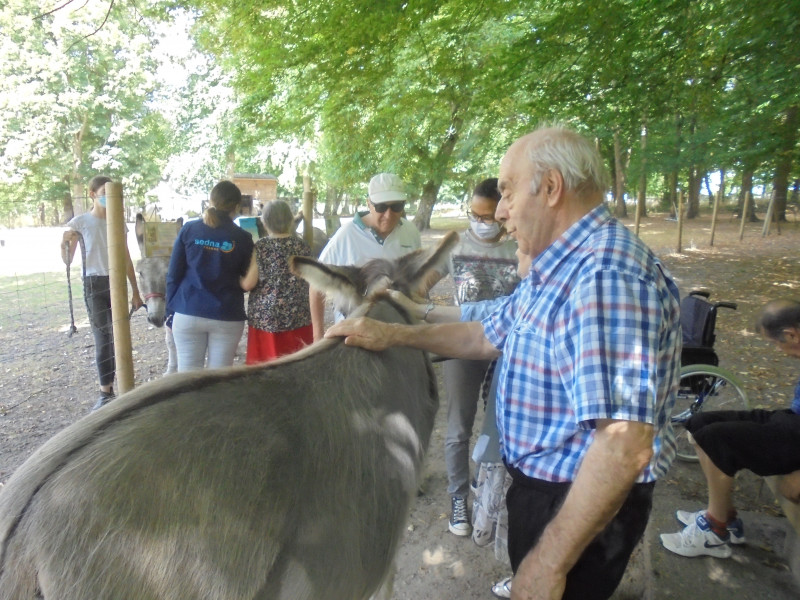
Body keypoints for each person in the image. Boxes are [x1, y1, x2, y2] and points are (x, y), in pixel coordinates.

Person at [326, 124, 682, 600]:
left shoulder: (603, 276)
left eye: (509, 192)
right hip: (551, 492)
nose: (501, 211)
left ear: (552, 188)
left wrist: (549, 563)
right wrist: (393, 332)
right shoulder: (559, 265)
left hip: (577, 504)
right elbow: (484, 333)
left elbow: (623, 446)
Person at [660, 298, 800, 559]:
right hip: (791, 418)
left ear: (791, 334)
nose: (780, 351)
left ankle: (715, 530)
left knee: (718, 439)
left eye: (776, 343)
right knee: (699, 424)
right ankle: (727, 517)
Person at [442, 177, 519, 537]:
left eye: (487, 216)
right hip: (463, 346)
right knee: (458, 426)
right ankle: (458, 497)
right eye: (473, 214)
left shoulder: (519, 248)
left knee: (499, 425)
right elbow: (420, 283)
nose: (479, 222)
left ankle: (484, 482)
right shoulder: (455, 244)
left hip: (505, 351)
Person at [61, 175, 144, 410]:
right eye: (104, 194)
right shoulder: (79, 222)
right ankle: (105, 392)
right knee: (103, 338)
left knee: (120, 336)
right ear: (92, 194)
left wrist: (135, 291)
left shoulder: (118, 223)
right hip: (93, 282)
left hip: (116, 280)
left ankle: (124, 387)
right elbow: (68, 260)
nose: (108, 199)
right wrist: (64, 244)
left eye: (113, 195)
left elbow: (126, 256)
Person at [310, 172, 421, 340]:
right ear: (369, 203)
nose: (388, 214)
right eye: (381, 207)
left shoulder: (410, 232)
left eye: (396, 206)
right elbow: (316, 285)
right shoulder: (346, 236)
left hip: (399, 330)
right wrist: (317, 335)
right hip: (354, 333)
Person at [166, 180, 255, 371]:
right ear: (237, 206)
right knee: (218, 384)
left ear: (210, 200)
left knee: (187, 382)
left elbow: (173, 274)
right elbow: (248, 279)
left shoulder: (189, 229)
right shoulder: (243, 238)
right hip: (226, 314)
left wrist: (170, 309)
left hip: (188, 309)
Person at [242, 199, 314, 363]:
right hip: (299, 316)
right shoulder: (303, 246)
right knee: (297, 366)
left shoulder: (261, 247)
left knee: (264, 369)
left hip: (266, 318)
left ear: (264, 222)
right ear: (290, 220)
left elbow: (249, 284)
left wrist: (238, 281)